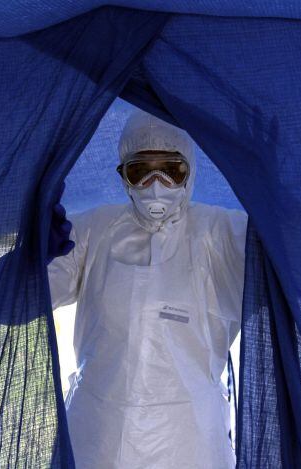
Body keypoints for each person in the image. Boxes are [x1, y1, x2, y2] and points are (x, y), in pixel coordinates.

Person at [48, 110, 247, 469]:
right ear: (124, 177)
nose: (157, 184)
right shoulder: (92, 230)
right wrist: (29, 258)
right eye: (141, 171)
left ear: (191, 170)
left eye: (172, 170)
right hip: (97, 438)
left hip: (190, 443)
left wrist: (281, 189)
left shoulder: (221, 233)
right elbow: (8, 306)